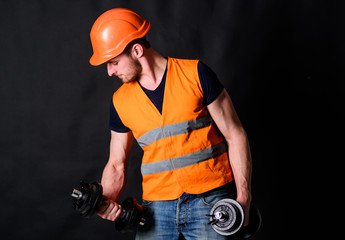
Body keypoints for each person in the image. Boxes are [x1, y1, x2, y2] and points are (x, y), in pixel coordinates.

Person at [89, 8, 253, 240]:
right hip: (156, 210)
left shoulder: (196, 74)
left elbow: (235, 134)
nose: (109, 71)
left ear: (136, 50)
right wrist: (104, 201)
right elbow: (116, 164)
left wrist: (244, 198)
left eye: (114, 62)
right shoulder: (119, 101)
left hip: (210, 200)